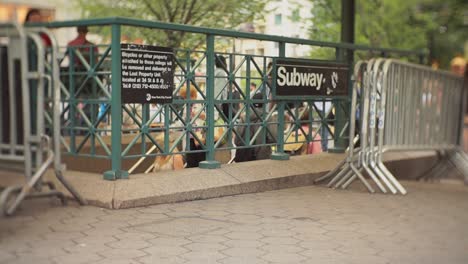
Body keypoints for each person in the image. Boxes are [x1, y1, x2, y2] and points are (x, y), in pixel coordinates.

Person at [234, 93, 278, 162]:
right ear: (265, 103)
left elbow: (236, 141)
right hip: (261, 157)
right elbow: (274, 138)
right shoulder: (269, 118)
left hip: (243, 157)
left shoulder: (244, 117)